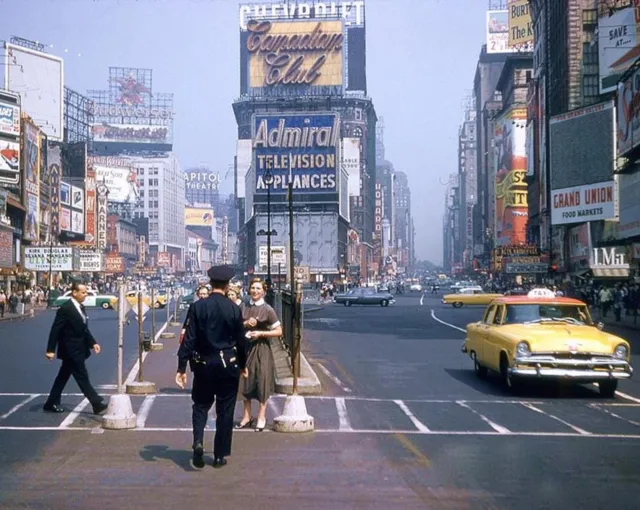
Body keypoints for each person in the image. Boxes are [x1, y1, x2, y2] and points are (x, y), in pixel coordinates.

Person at [176, 265, 249, 469]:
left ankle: (198, 441)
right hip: (228, 364)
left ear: (210, 283)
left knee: (200, 405)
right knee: (225, 410)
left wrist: (181, 367)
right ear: (227, 285)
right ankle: (219, 455)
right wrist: (243, 364)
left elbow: (188, 340)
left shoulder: (198, 307)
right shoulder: (233, 308)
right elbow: (242, 342)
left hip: (203, 364)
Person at [43, 282, 108, 415]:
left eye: (86, 292)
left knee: (62, 377)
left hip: (79, 348)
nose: (86, 295)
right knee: (81, 375)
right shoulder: (65, 309)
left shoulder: (81, 307)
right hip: (70, 350)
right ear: (74, 292)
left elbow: (83, 329)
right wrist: (50, 349)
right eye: (83, 292)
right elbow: (55, 330)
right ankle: (96, 403)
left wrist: (92, 343)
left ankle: (51, 403)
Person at [236, 278, 282, 432]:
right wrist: (245, 324)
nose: (255, 291)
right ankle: (247, 416)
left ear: (263, 291)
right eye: (253, 288)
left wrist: (261, 333)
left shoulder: (267, 309)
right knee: (245, 380)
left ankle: (261, 416)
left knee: (262, 379)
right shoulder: (244, 306)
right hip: (245, 347)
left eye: (258, 288)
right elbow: (235, 325)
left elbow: (279, 331)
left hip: (261, 348)